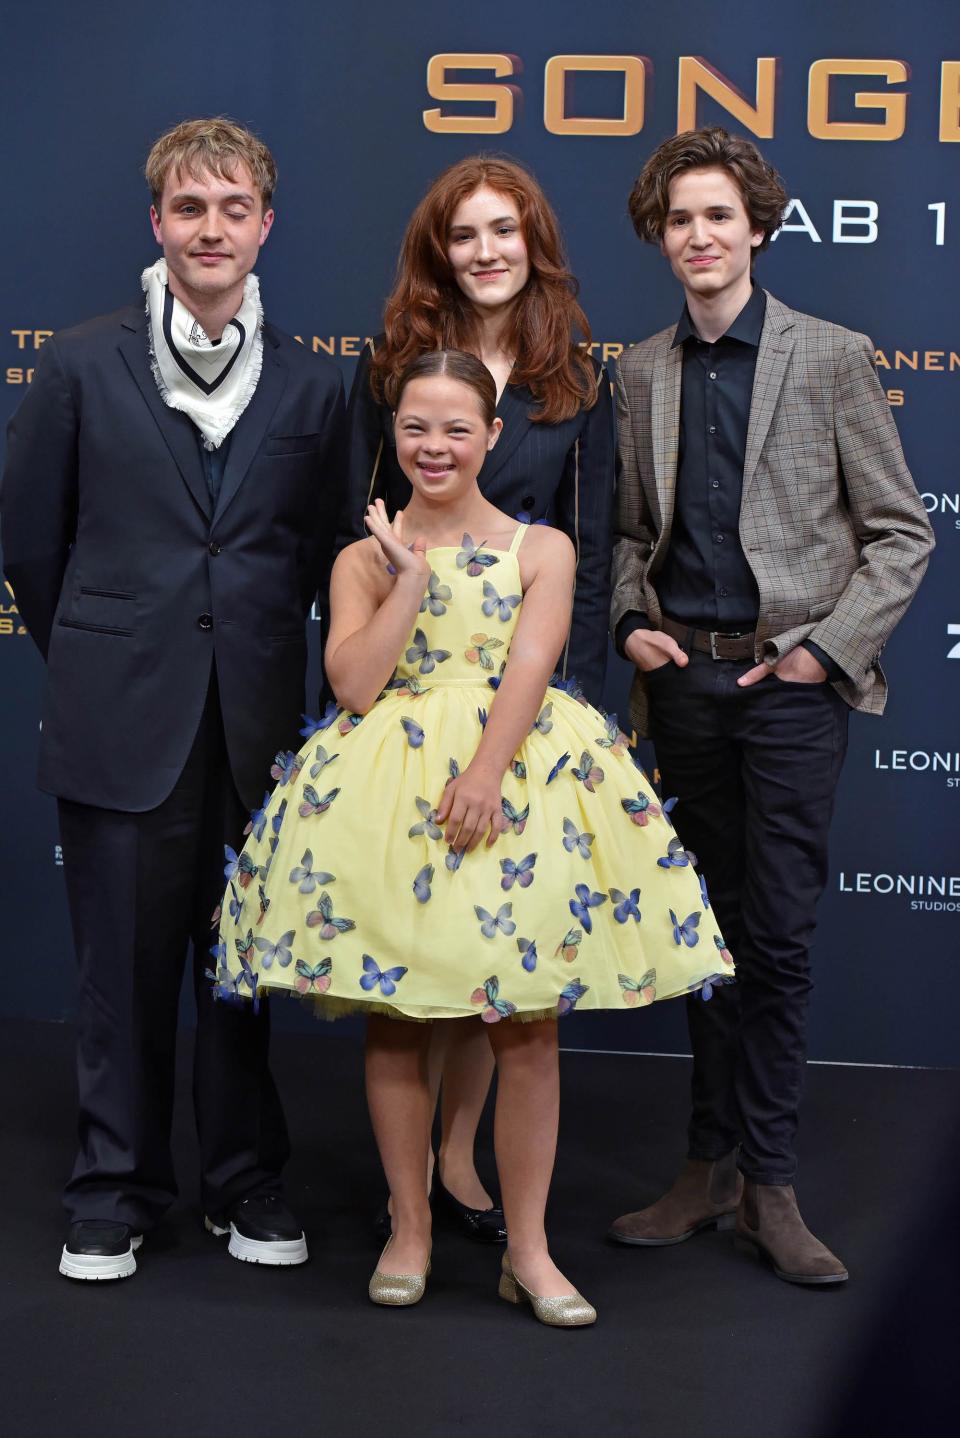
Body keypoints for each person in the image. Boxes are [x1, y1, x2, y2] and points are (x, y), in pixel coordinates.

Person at [211, 349, 729, 1324]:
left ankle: (528, 1250)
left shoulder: (542, 548)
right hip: (385, 799)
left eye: (457, 427)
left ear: (493, 436)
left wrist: (487, 772)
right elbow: (356, 685)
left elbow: (534, 665)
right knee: (396, 1016)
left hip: (514, 786)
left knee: (526, 1023)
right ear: (393, 435)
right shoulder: (362, 556)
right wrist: (406, 577)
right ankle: (409, 1224)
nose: (434, 446)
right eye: (415, 427)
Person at [0, 117, 345, 1281]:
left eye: (232, 208)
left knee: (241, 969)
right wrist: (102, 656)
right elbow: (30, 543)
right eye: (189, 208)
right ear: (157, 223)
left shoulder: (314, 382)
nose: (211, 228)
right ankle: (114, 1188)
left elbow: (329, 555)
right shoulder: (81, 362)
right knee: (121, 976)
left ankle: (244, 1182)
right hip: (118, 718)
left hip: (255, 724)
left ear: (264, 226)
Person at [608, 127, 934, 1284]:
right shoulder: (639, 369)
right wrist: (629, 620)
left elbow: (903, 532)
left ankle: (772, 1184)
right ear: (661, 237)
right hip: (684, 688)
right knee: (702, 934)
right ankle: (707, 1168)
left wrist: (824, 653)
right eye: (679, 220)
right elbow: (632, 536)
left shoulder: (831, 355)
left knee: (778, 938)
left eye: (718, 216)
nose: (699, 236)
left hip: (790, 689)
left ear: (757, 226)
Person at [341, 156, 615, 1243]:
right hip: (415, 689)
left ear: (534, 242)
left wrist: (571, 711)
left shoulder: (577, 382)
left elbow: (589, 551)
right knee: (433, 934)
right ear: (439, 250)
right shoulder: (393, 368)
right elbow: (373, 520)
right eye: (466, 234)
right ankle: (437, 1169)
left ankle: (465, 1155)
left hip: (531, 693)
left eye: (506, 230)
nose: (487, 250)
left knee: (506, 948)